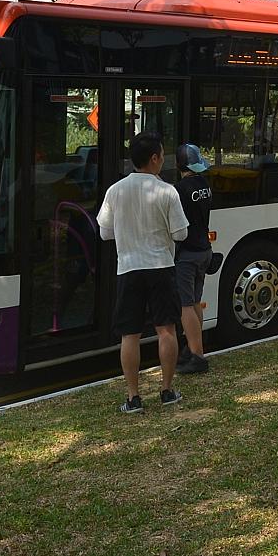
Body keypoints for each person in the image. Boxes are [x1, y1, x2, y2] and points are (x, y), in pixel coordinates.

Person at [99, 132, 188, 413]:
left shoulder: (115, 191)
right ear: (154, 158)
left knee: (130, 334)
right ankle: (167, 390)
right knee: (166, 330)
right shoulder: (167, 191)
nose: (163, 159)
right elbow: (181, 233)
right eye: (162, 154)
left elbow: (104, 233)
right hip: (161, 266)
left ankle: (133, 396)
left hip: (128, 268)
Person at [173, 143, 214, 376]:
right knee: (196, 302)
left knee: (185, 305)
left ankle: (196, 356)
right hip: (205, 250)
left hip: (187, 254)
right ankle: (195, 347)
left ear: (179, 165)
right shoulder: (205, 185)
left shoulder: (178, 190)